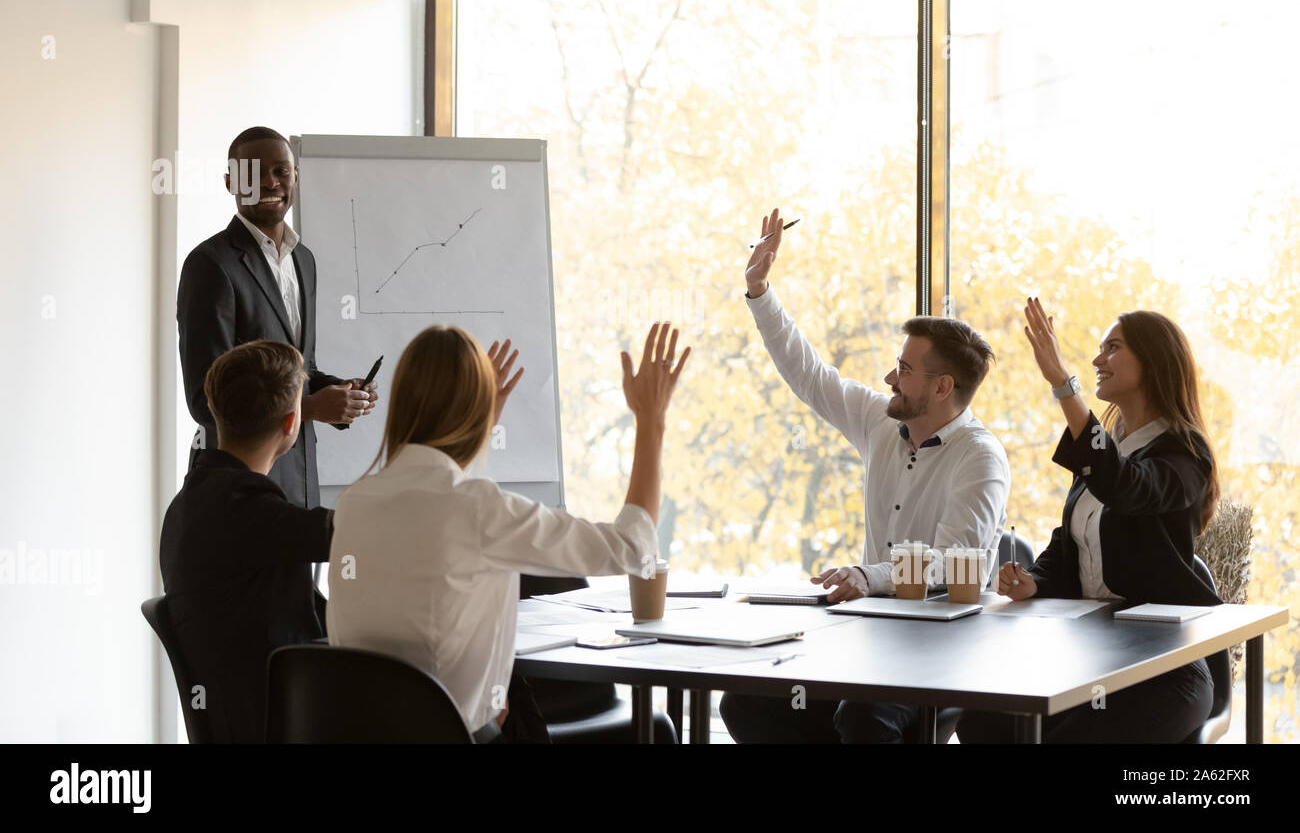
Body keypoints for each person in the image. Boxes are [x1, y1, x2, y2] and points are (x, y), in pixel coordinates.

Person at [720, 208, 1011, 743]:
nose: (888, 378)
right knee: (747, 702)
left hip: (941, 650)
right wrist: (760, 291)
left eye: (903, 370)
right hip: (870, 637)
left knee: (862, 715)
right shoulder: (881, 420)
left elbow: (952, 564)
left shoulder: (981, 458)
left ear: (943, 387)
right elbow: (811, 375)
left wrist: (868, 575)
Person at [326, 322, 690, 743]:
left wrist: (475, 423)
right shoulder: (477, 508)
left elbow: (435, 511)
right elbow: (634, 548)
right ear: (475, 411)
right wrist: (652, 421)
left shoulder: (354, 503)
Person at [957, 298, 1220, 743]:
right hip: (1090, 656)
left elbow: (1126, 487)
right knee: (982, 724)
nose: (1098, 359)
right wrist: (1033, 580)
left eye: (1112, 347)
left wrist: (1064, 383)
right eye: (1099, 349)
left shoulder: (1185, 454)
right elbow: (1069, 545)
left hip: (1163, 670)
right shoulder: (1106, 449)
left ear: (1154, 360)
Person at [177, 126, 378, 509]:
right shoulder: (210, 266)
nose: (269, 182)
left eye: (280, 171)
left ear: (295, 178)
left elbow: (300, 369)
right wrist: (311, 408)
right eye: (253, 173)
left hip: (299, 481)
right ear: (230, 182)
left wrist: (340, 391)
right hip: (237, 489)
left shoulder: (305, 261)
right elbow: (206, 400)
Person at [159, 340, 334, 743]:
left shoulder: (193, 500)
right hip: (274, 721)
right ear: (292, 423)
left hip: (241, 715)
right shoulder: (246, 508)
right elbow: (343, 534)